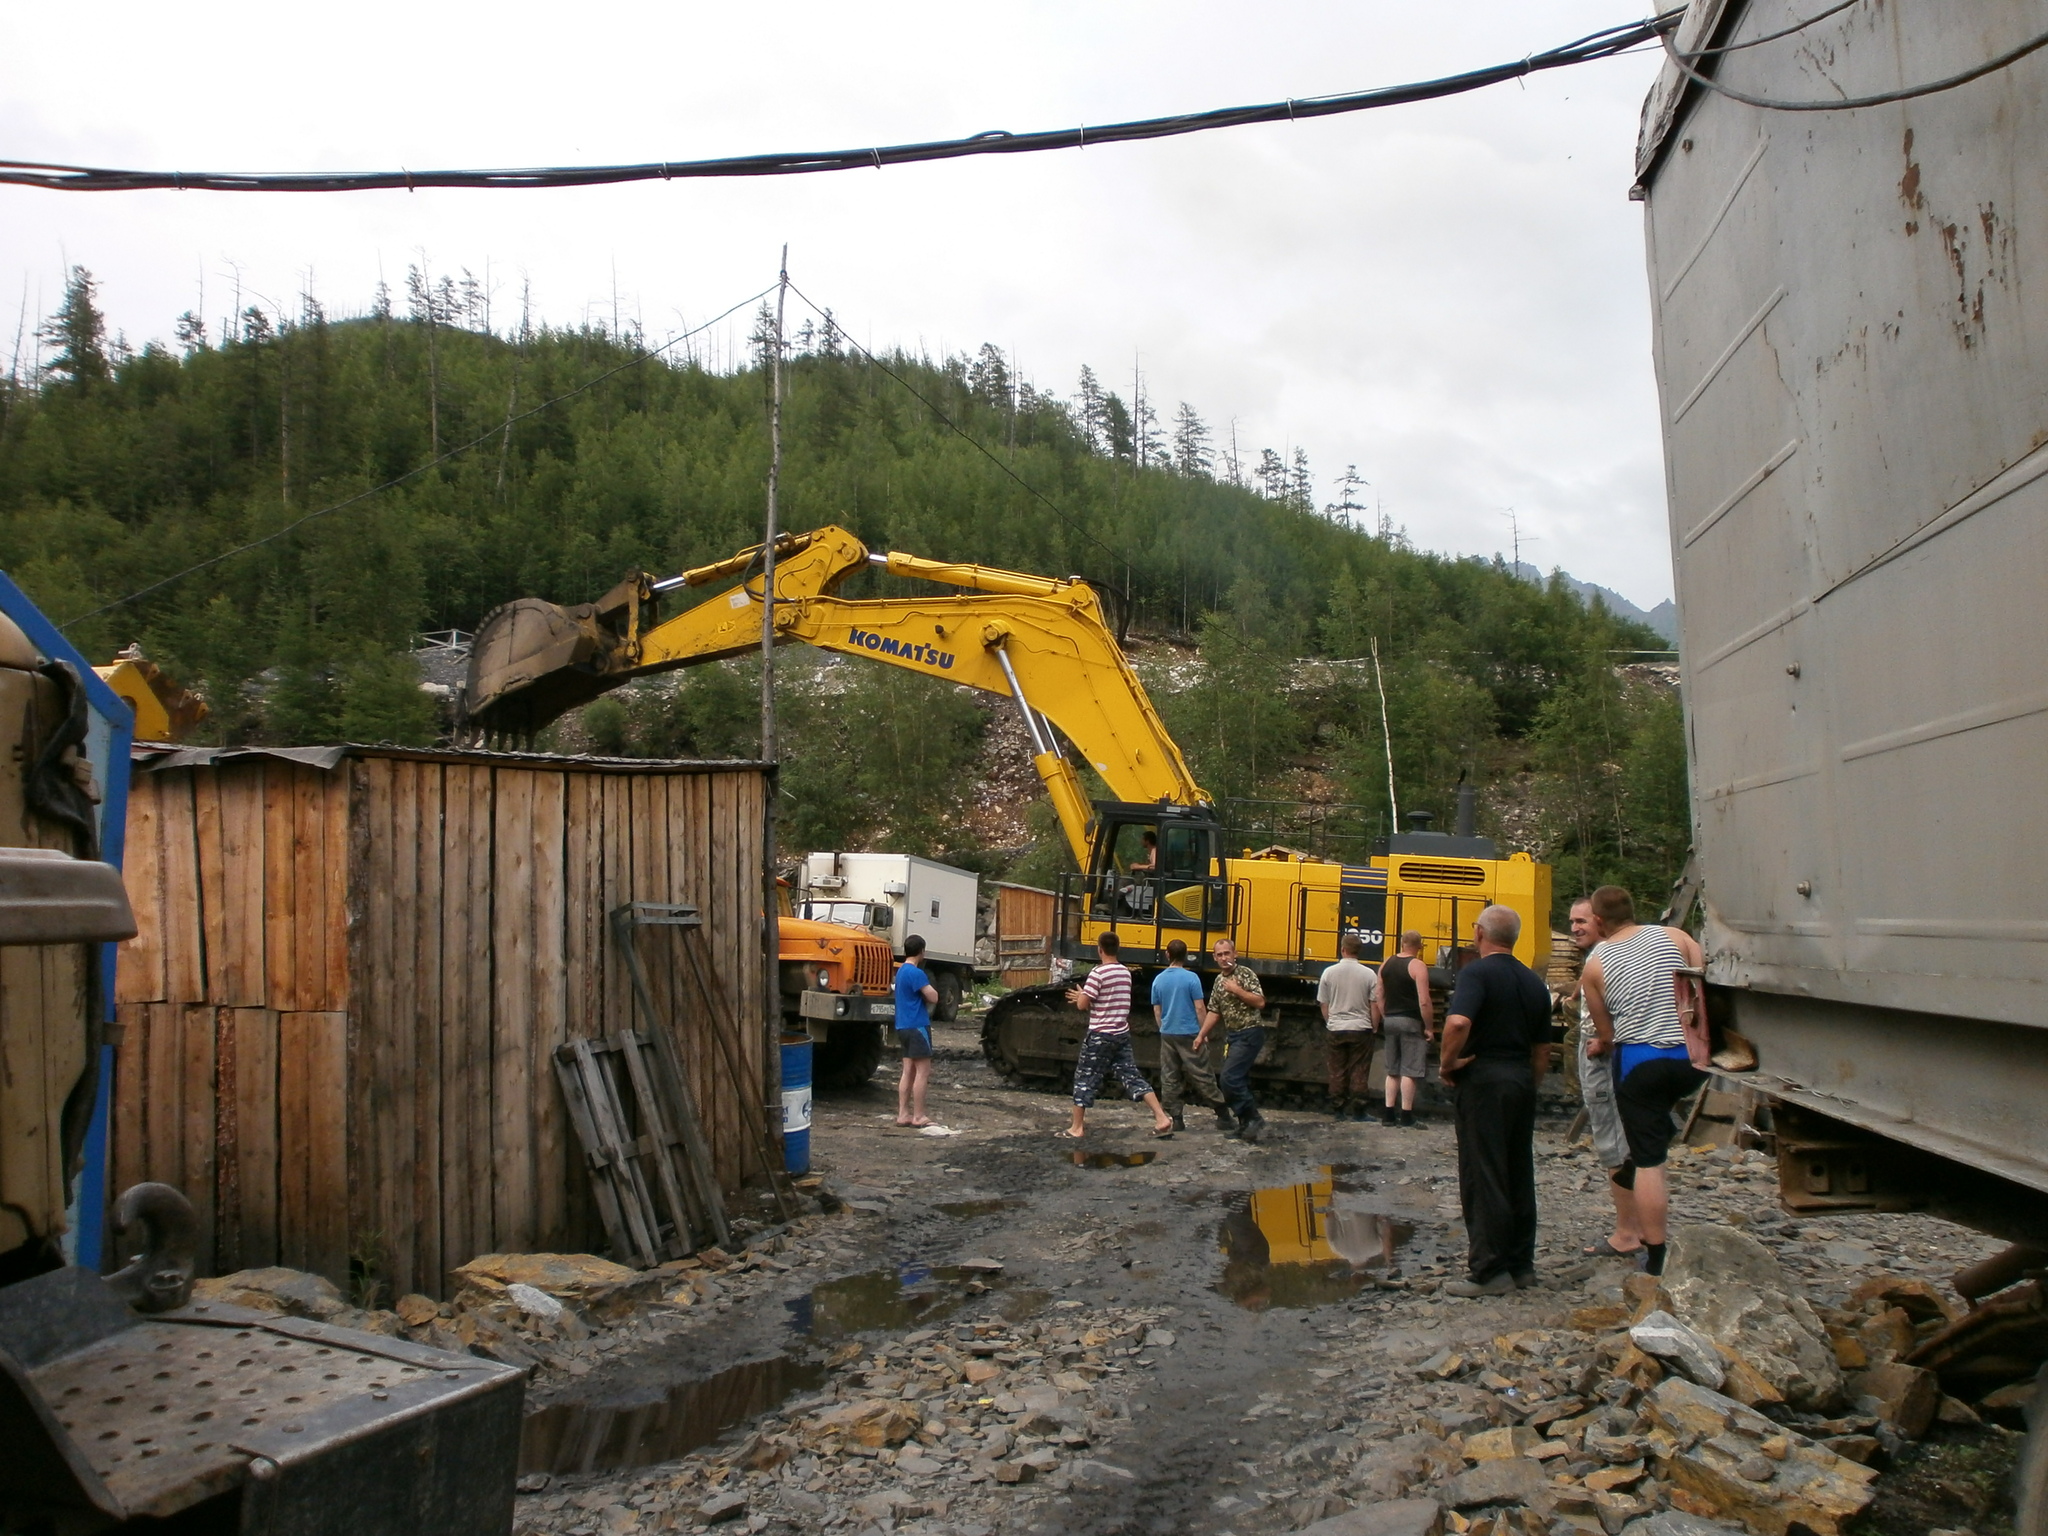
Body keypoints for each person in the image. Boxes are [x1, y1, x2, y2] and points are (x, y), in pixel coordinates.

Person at [1581, 884, 1706, 1277]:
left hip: (1640, 1063)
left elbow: (1606, 1034)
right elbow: (1705, 986)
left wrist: (1602, 1043)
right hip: (1691, 1061)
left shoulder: (1594, 966)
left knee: (1651, 1162)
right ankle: (1653, 1134)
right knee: (1655, 1117)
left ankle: (1654, 1254)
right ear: (1633, 909)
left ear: (1599, 920)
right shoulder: (1676, 937)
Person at [1437, 905, 1552, 1297]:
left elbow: (1457, 1022)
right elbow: (1542, 1049)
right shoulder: (1534, 982)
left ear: (1479, 933)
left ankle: (1489, 1270)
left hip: (1484, 1078)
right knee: (1518, 1168)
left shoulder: (1476, 973)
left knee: (1483, 1172)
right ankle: (1522, 1265)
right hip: (1520, 1078)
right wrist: (1529, 1084)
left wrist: (1447, 1061)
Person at [1565, 898, 1643, 1259]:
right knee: (1627, 1143)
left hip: (1602, 1061)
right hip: (1613, 1055)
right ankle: (1639, 1226)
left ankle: (1628, 1232)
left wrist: (1605, 1039)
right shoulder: (1615, 954)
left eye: (1581, 921)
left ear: (1599, 920)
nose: (1574, 928)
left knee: (1613, 1145)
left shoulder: (1605, 957)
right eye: (1571, 922)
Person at [1061, 931, 1176, 1140]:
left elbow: (1082, 1005)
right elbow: (1110, 999)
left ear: (1100, 949)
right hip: (1121, 1034)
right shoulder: (1125, 972)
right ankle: (1161, 1118)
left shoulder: (1097, 973)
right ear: (1118, 948)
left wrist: (1081, 995)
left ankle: (1076, 1128)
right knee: (1132, 1075)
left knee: (1084, 1078)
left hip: (1100, 1034)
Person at [1151, 939, 1232, 1132]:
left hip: (1168, 1033)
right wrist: (1203, 1033)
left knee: (1170, 1076)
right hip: (1189, 1033)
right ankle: (1223, 1115)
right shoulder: (1191, 979)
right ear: (1186, 955)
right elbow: (1199, 1008)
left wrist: (1163, 1028)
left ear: (1167, 955)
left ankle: (1176, 1118)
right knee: (1202, 1073)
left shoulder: (1158, 980)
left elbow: (1157, 1010)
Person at [1196, 936, 1269, 1143]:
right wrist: (1201, 1035)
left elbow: (1260, 1002)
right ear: (1215, 958)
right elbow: (1214, 1011)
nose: (1224, 958)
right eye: (1219, 955)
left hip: (1250, 1032)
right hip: (1234, 1035)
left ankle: (1254, 1118)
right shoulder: (1219, 981)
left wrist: (1237, 990)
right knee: (1235, 1079)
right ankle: (1245, 1124)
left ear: (1234, 954)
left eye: (1227, 953)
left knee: (1229, 1078)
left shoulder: (1245, 974)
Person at [1375, 929, 1435, 1128]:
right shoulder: (1417, 965)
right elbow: (1424, 1001)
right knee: (1410, 1070)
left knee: (1393, 1070)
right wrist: (1428, 1027)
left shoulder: (1386, 963)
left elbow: (1379, 994)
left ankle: (1388, 1115)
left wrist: (1385, 1016)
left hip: (1390, 1020)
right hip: (1410, 1021)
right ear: (1419, 946)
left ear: (1401, 943)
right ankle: (1407, 1115)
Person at [1318, 932, 1380, 1123]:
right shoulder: (1369, 974)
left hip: (1336, 1027)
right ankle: (1359, 1111)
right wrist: (1374, 1026)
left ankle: (1338, 1110)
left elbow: (1324, 1003)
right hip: (1361, 1028)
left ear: (1342, 949)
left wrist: (1331, 1021)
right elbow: (1374, 1005)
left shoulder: (1328, 973)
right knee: (1359, 1070)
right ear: (1359, 951)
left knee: (1337, 1069)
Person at [893, 935, 940, 1128]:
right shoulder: (916, 973)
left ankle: (903, 1113)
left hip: (902, 1026)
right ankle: (919, 1116)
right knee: (923, 1071)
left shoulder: (901, 971)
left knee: (908, 1071)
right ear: (921, 951)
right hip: (917, 1025)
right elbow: (933, 997)